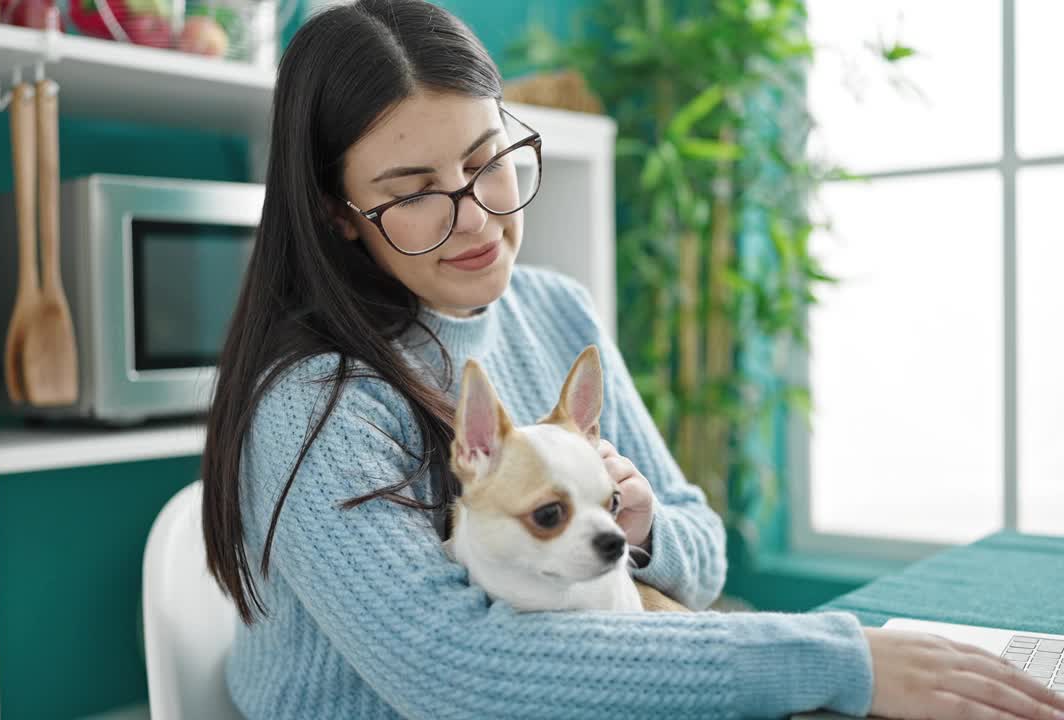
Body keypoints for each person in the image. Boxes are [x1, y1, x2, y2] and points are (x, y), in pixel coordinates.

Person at [200, 1, 1064, 718]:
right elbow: (458, 672)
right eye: (416, 193)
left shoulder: (552, 307)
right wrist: (838, 661)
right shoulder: (315, 407)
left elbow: (701, 544)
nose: (475, 218)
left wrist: (637, 527)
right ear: (338, 213)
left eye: (486, 161)